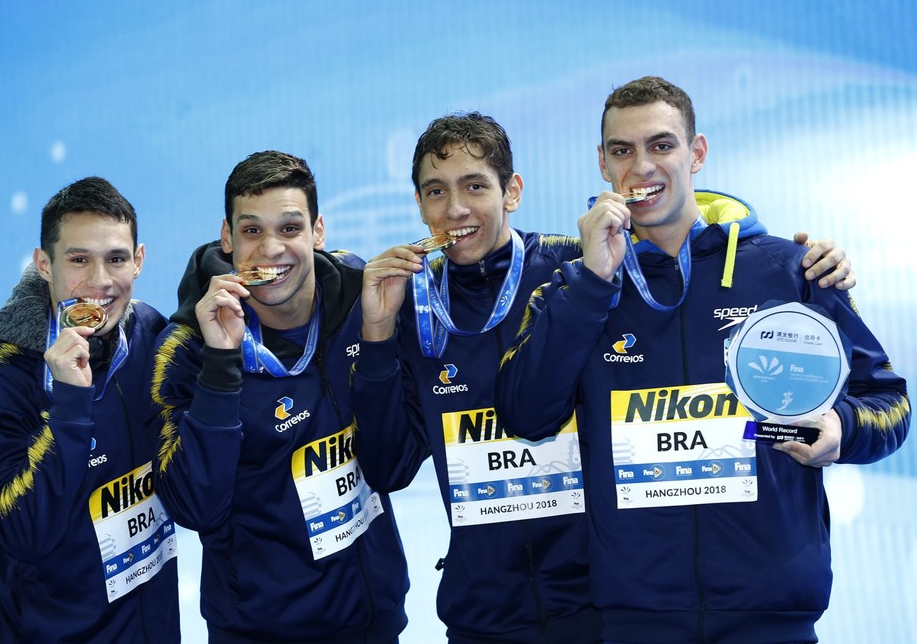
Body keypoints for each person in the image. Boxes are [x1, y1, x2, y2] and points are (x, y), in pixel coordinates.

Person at [352, 112, 857, 643]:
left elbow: (688, 263)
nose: (455, 208)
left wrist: (808, 267)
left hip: (601, 603)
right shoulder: (413, 304)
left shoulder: (582, 266)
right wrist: (378, 336)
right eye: (435, 191)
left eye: (475, 185)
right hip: (486, 613)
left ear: (512, 191)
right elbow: (390, 467)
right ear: (419, 203)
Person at [494, 76, 910, 644]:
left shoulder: (792, 271)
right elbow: (524, 415)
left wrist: (845, 427)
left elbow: (890, 403)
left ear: (697, 153)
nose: (642, 166)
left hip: (773, 618)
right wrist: (593, 285)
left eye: (661, 145)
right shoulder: (574, 287)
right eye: (622, 150)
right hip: (635, 620)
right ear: (602, 163)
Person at [149, 150, 409, 643]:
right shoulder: (185, 348)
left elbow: (394, 467)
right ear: (227, 238)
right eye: (251, 232)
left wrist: (377, 336)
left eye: (289, 228)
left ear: (318, 232)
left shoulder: (361, 298)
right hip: (257, 631)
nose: (271, 249)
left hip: (372, 621)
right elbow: (195, 509)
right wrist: (222, 364)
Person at [0, 177, 180, 643]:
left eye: (116, 258)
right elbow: (25, 535)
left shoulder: (150, 334)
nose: (99, 282)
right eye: (79, 260)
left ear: (138, 261)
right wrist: (70, 405)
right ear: (44, 265)